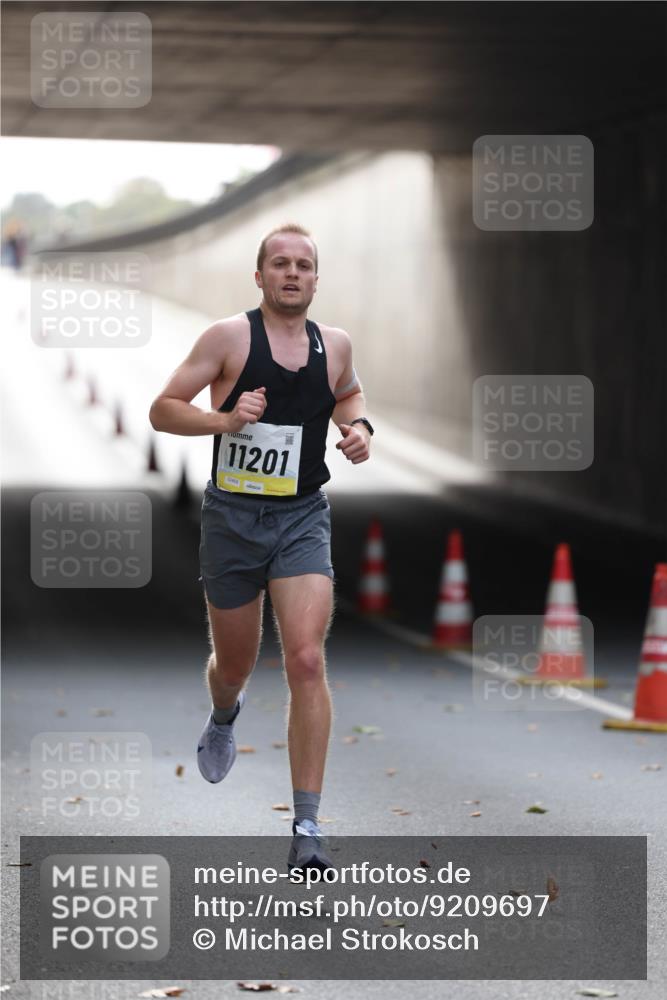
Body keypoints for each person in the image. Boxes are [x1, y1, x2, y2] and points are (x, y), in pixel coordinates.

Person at [149, 223, 374, 873]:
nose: (292, 273)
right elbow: (163, 409)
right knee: (235, 663)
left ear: (315, 277)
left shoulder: (333, 345)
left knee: (305, 659)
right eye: (280, 263)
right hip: (232, 519)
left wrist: (356, 428)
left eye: (304, 264)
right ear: (259, 276)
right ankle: (224, 713)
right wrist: (224, 420)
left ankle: (306, 826)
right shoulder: (227, 338)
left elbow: (350, 394)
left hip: (302, 516)